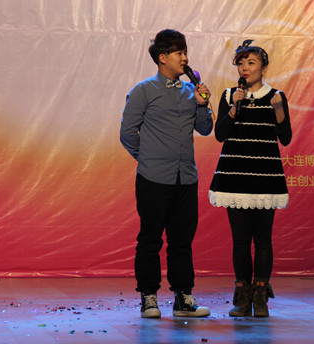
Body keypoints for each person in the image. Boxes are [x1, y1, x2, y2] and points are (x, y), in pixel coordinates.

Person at [120, 29, 213, 318]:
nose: (185, 58)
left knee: (182, 241)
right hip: (153, 179)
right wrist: (148, 159)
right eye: (178, 52)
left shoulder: (190, 91)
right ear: (162, 58)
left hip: (186, 178)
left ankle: (183, 298)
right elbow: (127, 134)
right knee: (150, 239)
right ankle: (149, 297)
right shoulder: (143, 91)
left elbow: (205, 129)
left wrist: (202, 104)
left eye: (185, 52)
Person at [209, 39, 292, 317]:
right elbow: (220, 134)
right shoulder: (229, 95)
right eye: (241, 63)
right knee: (241, 241)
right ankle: (242, 299)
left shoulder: (276, 96)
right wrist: (234, 107)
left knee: (263, 240)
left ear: (263, 68)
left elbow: (286, 138)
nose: (245, 68)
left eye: (251, 62)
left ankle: (261, 298)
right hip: (235, 176)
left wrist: (278, 110)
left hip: (265, 176)